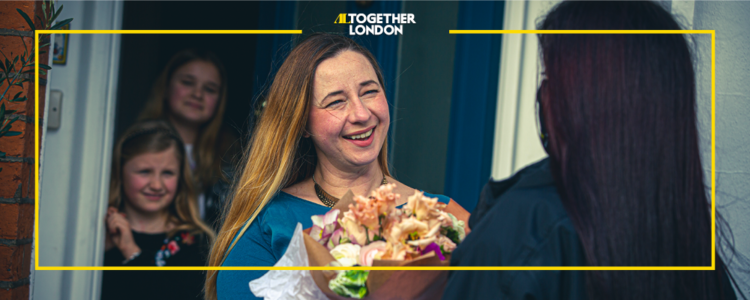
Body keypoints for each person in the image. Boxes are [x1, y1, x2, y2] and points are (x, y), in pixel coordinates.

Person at [443, 2, 742, 300]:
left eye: (550, 79)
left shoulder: (523, 233)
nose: (544, 95)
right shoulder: (688, 236)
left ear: (584, 99)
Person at [204, 33, 471, 300]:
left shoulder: (445, 217)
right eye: (336, 101)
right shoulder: (268, 224)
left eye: (369, 91)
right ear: (303, 124)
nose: (362, 114)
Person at [101, 120, 216, 300]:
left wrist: (131, 252)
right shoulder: (100, 234)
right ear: (120, 172)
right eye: (144, 171)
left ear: (181, 177)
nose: (156, 185)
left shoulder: (195, 242)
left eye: (168, 173)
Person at [139, 49, 240, 231]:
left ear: (220, 100)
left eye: (209, 89)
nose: (197, 94)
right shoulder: (136, 147)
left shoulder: (231, 159)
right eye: (187, 82)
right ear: (166, 87)